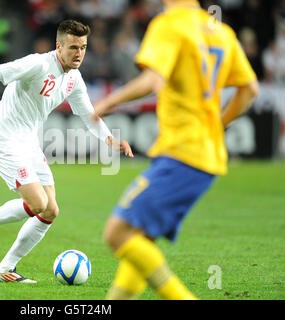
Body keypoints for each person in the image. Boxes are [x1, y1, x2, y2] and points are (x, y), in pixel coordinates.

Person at [0, 19, 133, 283]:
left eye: (83, 47)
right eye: (72, 47)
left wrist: (111, 140)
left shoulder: (74, 79)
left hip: (28, 142)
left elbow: (87, 114)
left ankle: (5, 269)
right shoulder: (37, 64)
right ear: (59, 46)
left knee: (50, 211)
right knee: (38, 203)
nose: (79, 53)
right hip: (3, 138)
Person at [93, 0, 259, 299]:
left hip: (183, 151)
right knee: (141, 236)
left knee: (117, 233)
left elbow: (153, 79)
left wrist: (108, 101)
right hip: (205, 153)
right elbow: (250, 90)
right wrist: (217, 125)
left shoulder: (168, 25)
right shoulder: (220, 31)